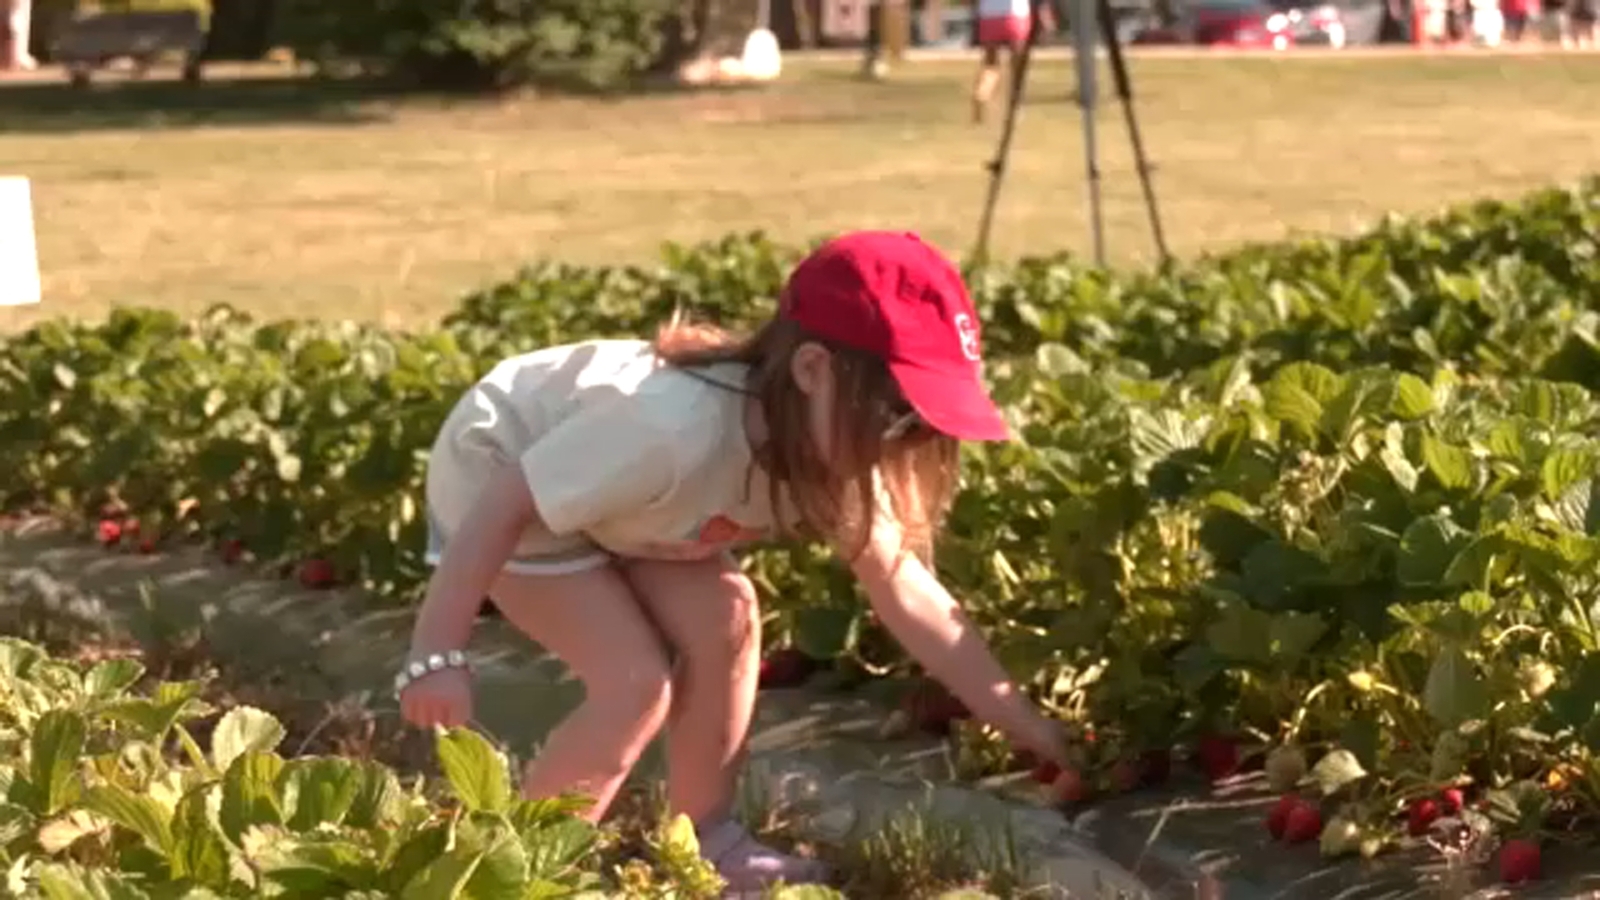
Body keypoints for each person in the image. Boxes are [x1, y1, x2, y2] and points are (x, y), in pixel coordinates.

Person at [398, 230, 1071, 891]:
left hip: (629, 506)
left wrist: (1032, 729)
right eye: (901, 415)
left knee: (730, 614)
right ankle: (513, 868)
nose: (907, 442)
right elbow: (504, 504)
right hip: (507, 480)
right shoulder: (670, 431)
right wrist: (438, 654)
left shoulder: (830, 452)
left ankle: (708, 837)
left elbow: (912, 596)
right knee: (635, 682)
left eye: (927, 424)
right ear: (812, 371)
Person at [971, 0, 1055, 124]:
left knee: (991, 65)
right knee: (1017, 67)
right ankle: (1016, 106)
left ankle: (982, 94)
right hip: (1016, 13)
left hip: (988, 16)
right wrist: (1045, 18)